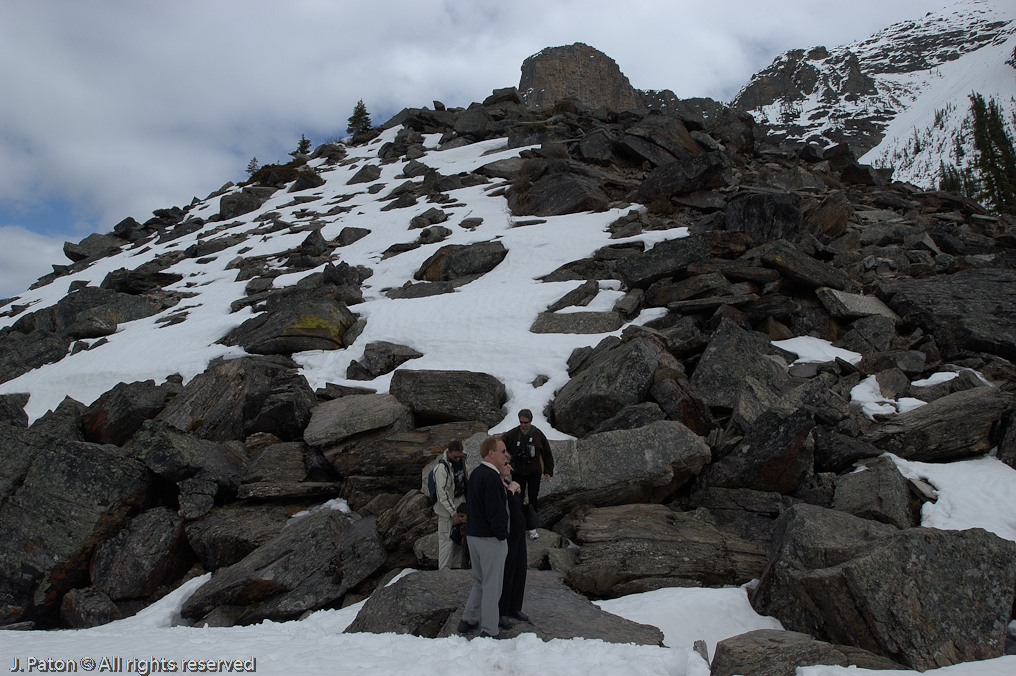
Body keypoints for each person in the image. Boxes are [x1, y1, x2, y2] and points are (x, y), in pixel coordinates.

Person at [458, 436, 510, 639]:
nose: (505, 455)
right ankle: (489, 629)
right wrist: (502, 535)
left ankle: (468, 620)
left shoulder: (478, 473)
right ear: (491, 453)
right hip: (490, 539)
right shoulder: (490, 477)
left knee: (480, 581)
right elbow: (495, 511)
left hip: (474, 535)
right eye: (502, 451)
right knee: (491, 585)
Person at [502, 409, 553, 539]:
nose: (523, 425)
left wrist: (548, 471)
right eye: (521, 422)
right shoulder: (513, 434)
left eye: (526, 422)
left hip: (534, 472)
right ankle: (519, 524)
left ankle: (532, 526)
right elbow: (501, 446)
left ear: (531, 421)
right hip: (518, 472)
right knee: (517, 498)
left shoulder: (537, 434)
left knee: (533, 497)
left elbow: (547, 453)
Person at [498, 456, 529, 626]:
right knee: (507, 573)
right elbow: (502, 506)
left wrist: (515, 489)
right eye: (505, 464)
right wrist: (511, 490)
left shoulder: (509, 482)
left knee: (520, 571)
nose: (509, 467)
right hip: (508, 536)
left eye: (509, 464)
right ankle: (502, 610)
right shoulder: (498, 485)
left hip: (519, 534)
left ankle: (514, 606)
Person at [433, 439, 468, 570]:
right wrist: (453, 514)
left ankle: (456, 570)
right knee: (446, 543)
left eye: (460, 456)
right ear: (448, 453)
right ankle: (444, 572)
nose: (458, 459)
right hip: (446, 512)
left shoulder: (463, 462)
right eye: (455, 457)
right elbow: (442, 495)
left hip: (461, 505)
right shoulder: (441, 469)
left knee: (459, 540)